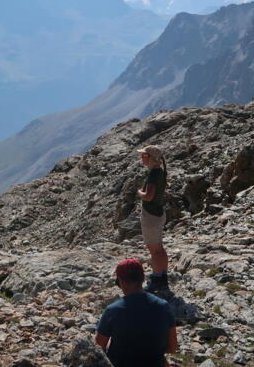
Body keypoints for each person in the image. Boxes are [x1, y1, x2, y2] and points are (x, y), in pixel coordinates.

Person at [95, 259, 178, 367]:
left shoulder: (112, 311)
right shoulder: (164, 307)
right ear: (143, 278)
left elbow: (98, 348)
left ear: (122, 282)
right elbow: (172, 347)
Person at [135, 144, 170, 293]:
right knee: (159, 249)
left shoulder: (154, 174)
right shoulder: (159, 171)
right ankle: (162, 277)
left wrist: (139, 193)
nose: (142, 157)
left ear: (151, 158)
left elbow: (148, 196)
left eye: (144, 155)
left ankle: (157, 280)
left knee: (154, 250)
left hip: (151, 216)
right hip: (157, 213)